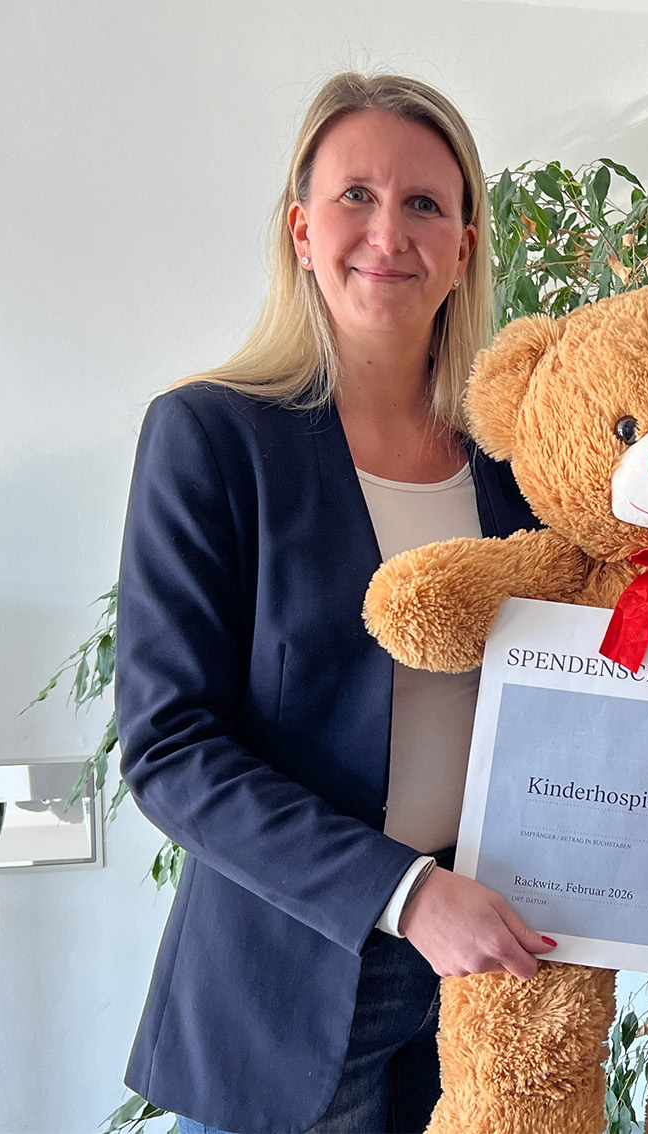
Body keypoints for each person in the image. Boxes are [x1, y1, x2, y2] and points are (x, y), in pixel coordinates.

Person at [115, 73, 556, 1134]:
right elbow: (171, 748)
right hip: (288, 989)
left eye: (423, 205)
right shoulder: (210, 438)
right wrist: (403, 893)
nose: (387, 233)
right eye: (356, 196)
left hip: (489, 984)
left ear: (463, 246)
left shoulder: (521, 466)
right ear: (302, 230)